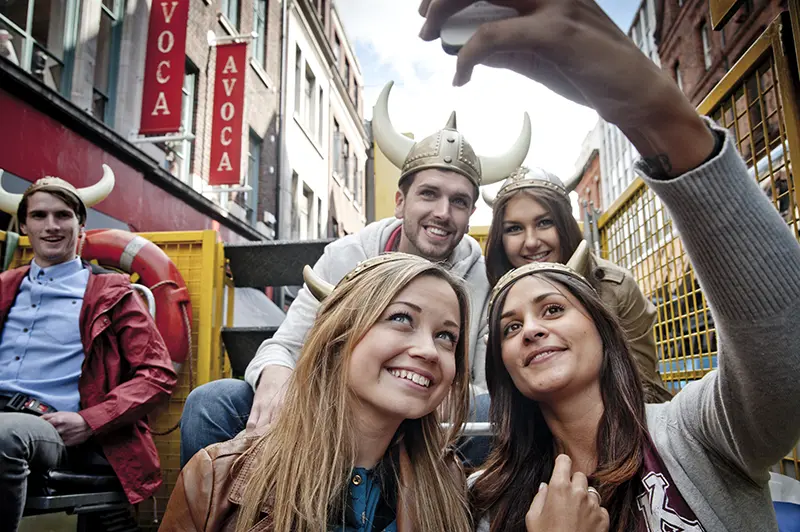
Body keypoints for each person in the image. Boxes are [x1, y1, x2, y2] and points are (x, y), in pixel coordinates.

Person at [416, 0, 800, 530]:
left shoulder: (693, 434)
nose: (531, 330)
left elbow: (784, 351)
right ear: (500, 366)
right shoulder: (485, 499)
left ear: (603, 327)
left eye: (553, 308)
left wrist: (657, 116)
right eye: (509, 326)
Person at [179, 80, 532, 468]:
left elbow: (478, 385)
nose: (443, 213)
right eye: (429, 194)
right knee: (211, 404)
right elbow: (285, 345)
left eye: (459, 201)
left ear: (470, 216)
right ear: (401, 202)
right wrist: (277, 374)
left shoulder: (481, 277)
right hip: (327, 417)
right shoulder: (347, 255)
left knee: (484, 412)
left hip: (422, 426)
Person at [162, 253, 474, 531]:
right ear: (338, 339)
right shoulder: (214, 477)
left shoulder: (449, 480)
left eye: (446, 336)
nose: (429, 351)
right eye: (402, 318)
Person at [0, 167, 177, 530]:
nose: (51, 225)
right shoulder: (4, 286)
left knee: (4, 435)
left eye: (63, 215)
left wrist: (88, 421)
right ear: (23, 227)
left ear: (80, 226)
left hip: (50, 425)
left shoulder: (111, 291)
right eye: (39, 215)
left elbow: (157, 375)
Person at [483, 166, 672, 402]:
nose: (531, 242)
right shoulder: (490, 293)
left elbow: (645, 389)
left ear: (565, 224)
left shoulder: (615, 286)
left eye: (544, 223)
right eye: (514, 229)